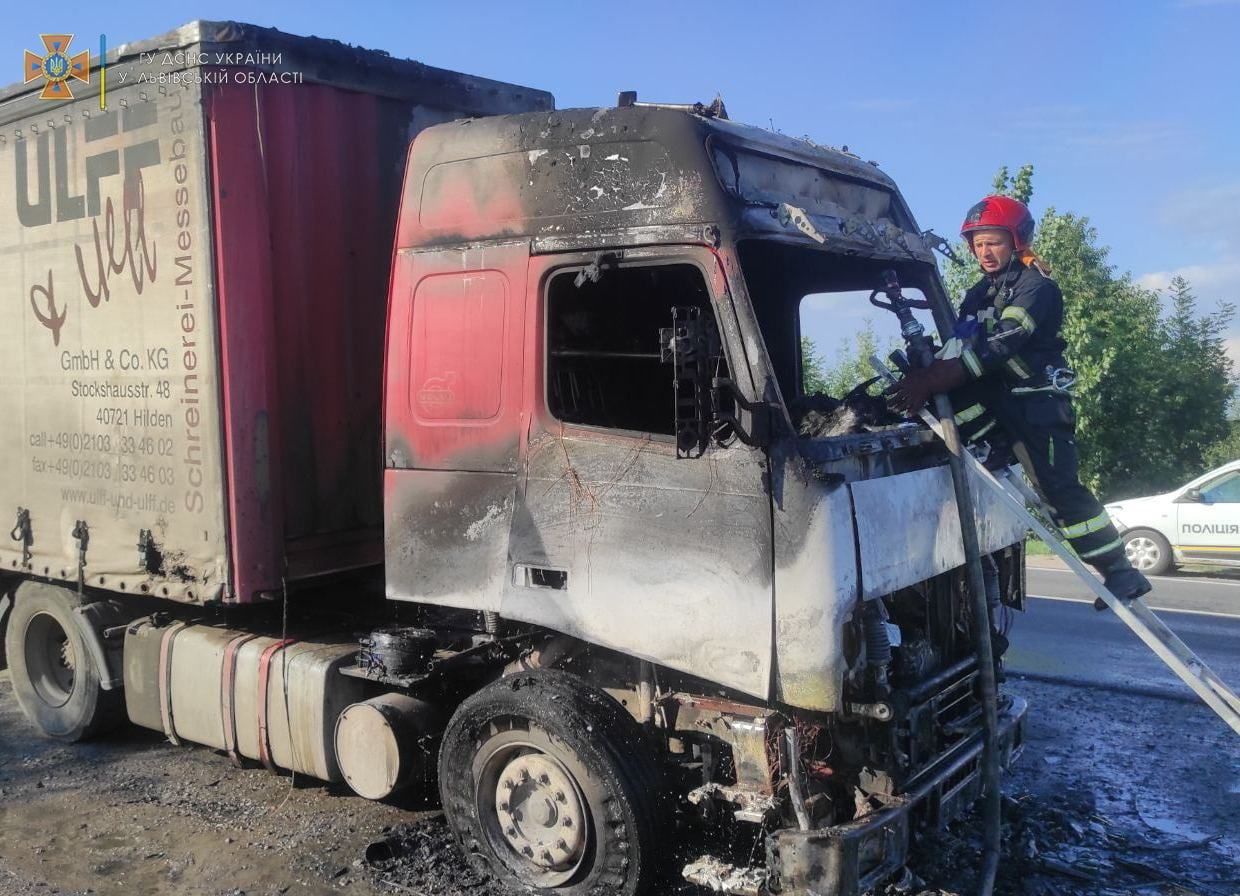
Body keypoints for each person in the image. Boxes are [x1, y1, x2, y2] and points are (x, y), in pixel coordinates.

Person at [889, 194, 1151, 609]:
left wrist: (937, 376)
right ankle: (992, 445)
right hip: (1001, 401)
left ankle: (1121, 572)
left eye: (992, 241)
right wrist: (926, 370)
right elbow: (962, 343)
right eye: (977, 244)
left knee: (1058, 489)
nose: (984, 252)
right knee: (952, 406)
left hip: (1038, 404)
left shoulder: (1036, 288)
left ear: (1016, 240)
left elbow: (1003, 343)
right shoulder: (979, 293)